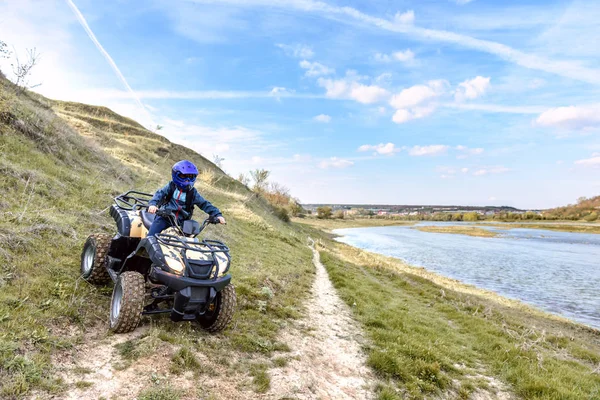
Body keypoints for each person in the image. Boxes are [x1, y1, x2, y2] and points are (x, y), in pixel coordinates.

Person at [147, 160, 226, 236]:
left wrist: (217, 214)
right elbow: (159, 194)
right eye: (183, 176)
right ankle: (141, 248)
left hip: (182, 222)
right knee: (151, 237)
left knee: (190, 240)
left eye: (190, 177)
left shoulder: (193, 193)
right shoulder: (171, 186)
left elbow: (204, 204)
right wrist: (153, 204)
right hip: (165, 217)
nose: (187, 180)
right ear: (176, 175)